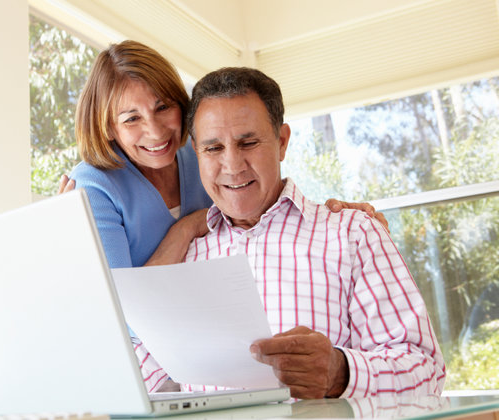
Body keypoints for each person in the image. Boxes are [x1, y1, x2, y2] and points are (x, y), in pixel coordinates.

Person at [138, 67, 446, 398]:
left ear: (282, 142)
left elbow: (426, 369)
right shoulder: (181, 257)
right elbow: (139, 377)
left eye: (249, 142)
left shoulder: (353, 234)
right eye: (213, 148)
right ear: (196, 150)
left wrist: (341, 372)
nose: (232, 165)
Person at [61, 40, 387, 271]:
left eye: (163, 107)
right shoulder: (94, 187)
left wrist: (338, 218)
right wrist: (185, 229)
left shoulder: (202, 152)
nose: (156, 131)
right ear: (107, 127)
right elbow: (123, 316)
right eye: (132, 118)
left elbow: (264, 204)